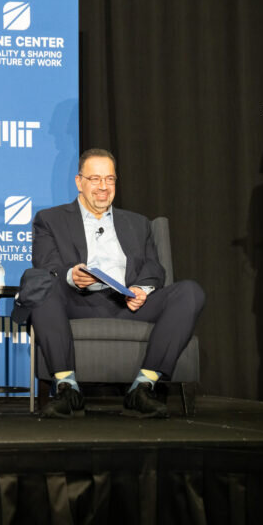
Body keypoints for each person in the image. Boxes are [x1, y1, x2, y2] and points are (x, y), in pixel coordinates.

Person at [21, 148, 205, 419]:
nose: (103, 187)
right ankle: (67, 388)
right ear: (79, 181)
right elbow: (47, 263)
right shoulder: (50, 219)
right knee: (40, 282)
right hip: (76, 302)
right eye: (95, 179)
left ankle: (142, 388)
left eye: (110, 179)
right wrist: (72, 274)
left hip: (127, 304)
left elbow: (155, 267)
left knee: (190, 291)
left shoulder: (138, 223)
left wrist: (141, 290)